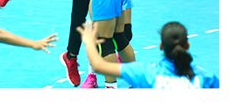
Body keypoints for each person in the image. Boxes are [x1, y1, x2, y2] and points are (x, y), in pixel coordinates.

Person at [78, 20, 219, 88]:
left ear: (161, 46)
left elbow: (98, 65)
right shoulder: (205, 78)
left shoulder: (146, 73)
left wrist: (89, 41)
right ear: (187, 46)